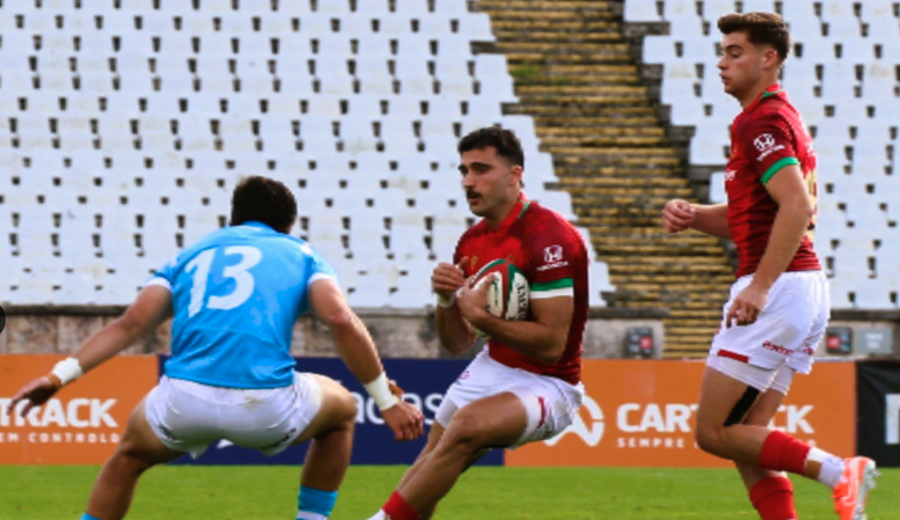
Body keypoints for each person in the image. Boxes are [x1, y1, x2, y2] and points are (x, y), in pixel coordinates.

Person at [10, 176, 424, 520]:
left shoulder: (189, 256)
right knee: (343, 413)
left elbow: (130, 323)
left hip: (182, 400)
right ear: (288, 225)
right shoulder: (301, 254)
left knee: (128, 457)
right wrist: (384, 399)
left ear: (234, 217)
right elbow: (339, 319)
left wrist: (57, 377)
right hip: (265, 405)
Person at [662, 12, 877, 520]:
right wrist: (696, 217)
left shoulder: (761, 121)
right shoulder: (778, 117)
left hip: (778, 290)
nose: (722, 62)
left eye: (735, 52)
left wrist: (759, 287)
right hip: (800, 286)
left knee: (714, 432)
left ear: (769, 58)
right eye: (723, 52)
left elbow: (797, 208)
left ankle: (838, 472)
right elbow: (753, 217)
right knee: (746, 437)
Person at [364, 127, 589, 520]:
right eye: (464, 170)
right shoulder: (471, 242)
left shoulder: (549, 238)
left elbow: (552, 345)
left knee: (465, 428)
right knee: (430, 469)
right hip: (494, 366)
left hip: (551, 382)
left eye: (481, 169)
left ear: (515, 175)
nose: (469, 181)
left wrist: (481, 316)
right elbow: (456, 343)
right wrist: (446, 300)